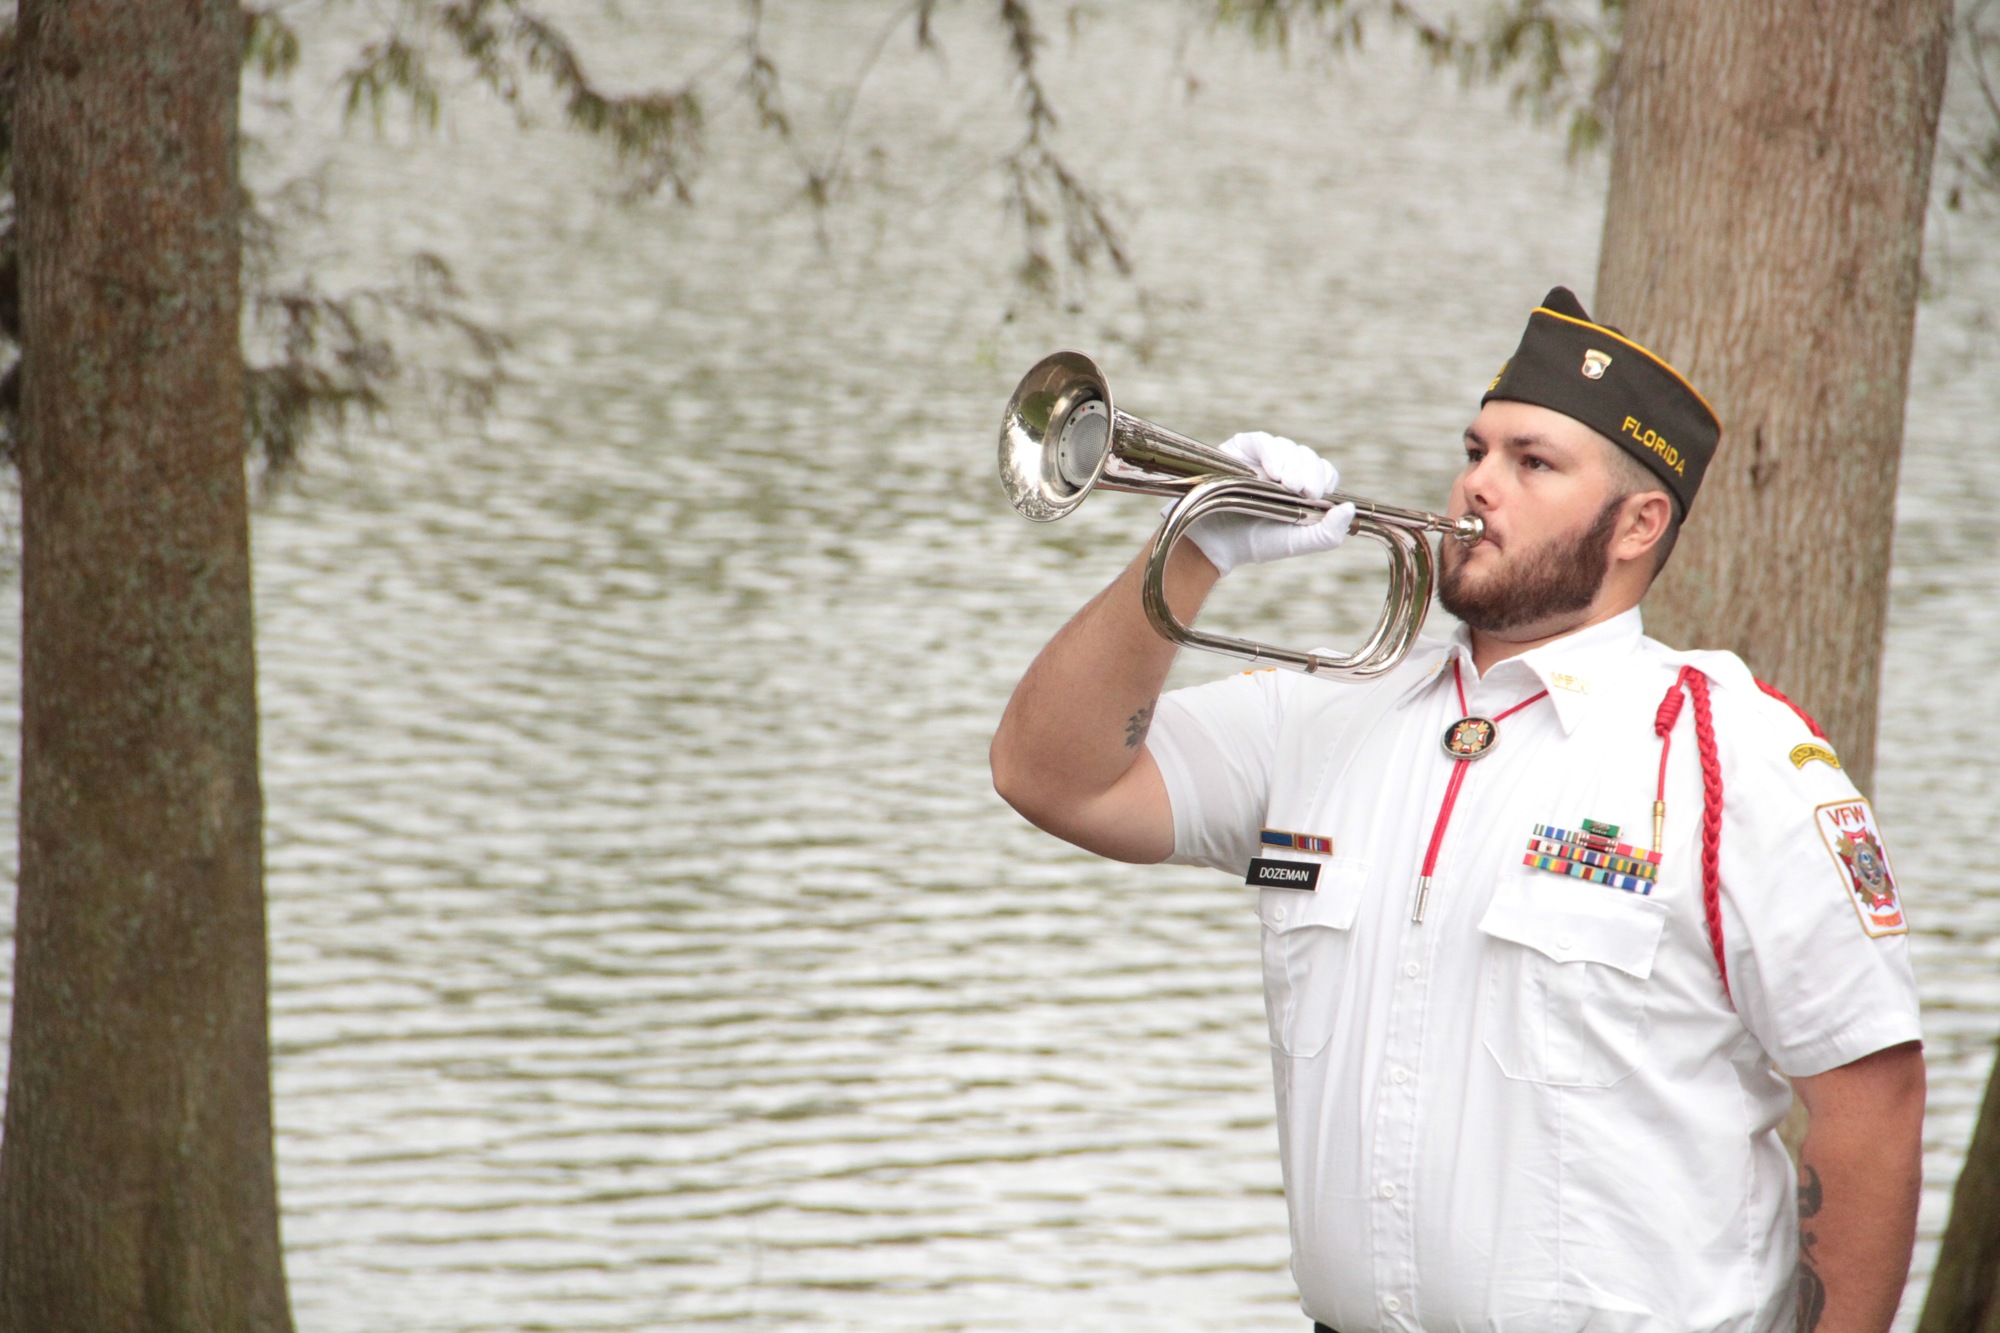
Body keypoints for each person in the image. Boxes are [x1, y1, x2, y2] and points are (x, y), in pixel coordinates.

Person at [990, 288, 1924, 1332]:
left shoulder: (1727, 754)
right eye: (1474, 449)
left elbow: (1869, 1101)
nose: (1477, 483)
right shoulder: (1331, 708)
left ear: (1637, 522)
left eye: (1532, 463)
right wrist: (1196, 548)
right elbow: (1050, 774)